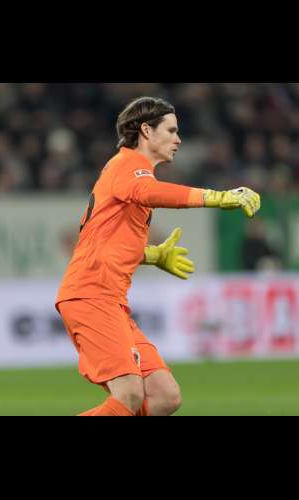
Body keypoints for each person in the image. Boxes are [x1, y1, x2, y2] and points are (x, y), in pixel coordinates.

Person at [56, 97, 261, 416]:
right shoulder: (127, 166)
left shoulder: (127, 172)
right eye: (171, 130)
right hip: (90, 295)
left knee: (164, 396)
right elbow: (150, 192)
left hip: (110, 299)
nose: (178, 139)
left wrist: (150, 255)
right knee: (129, 394)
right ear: (146, 131)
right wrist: (216, 197)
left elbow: (103, 242)